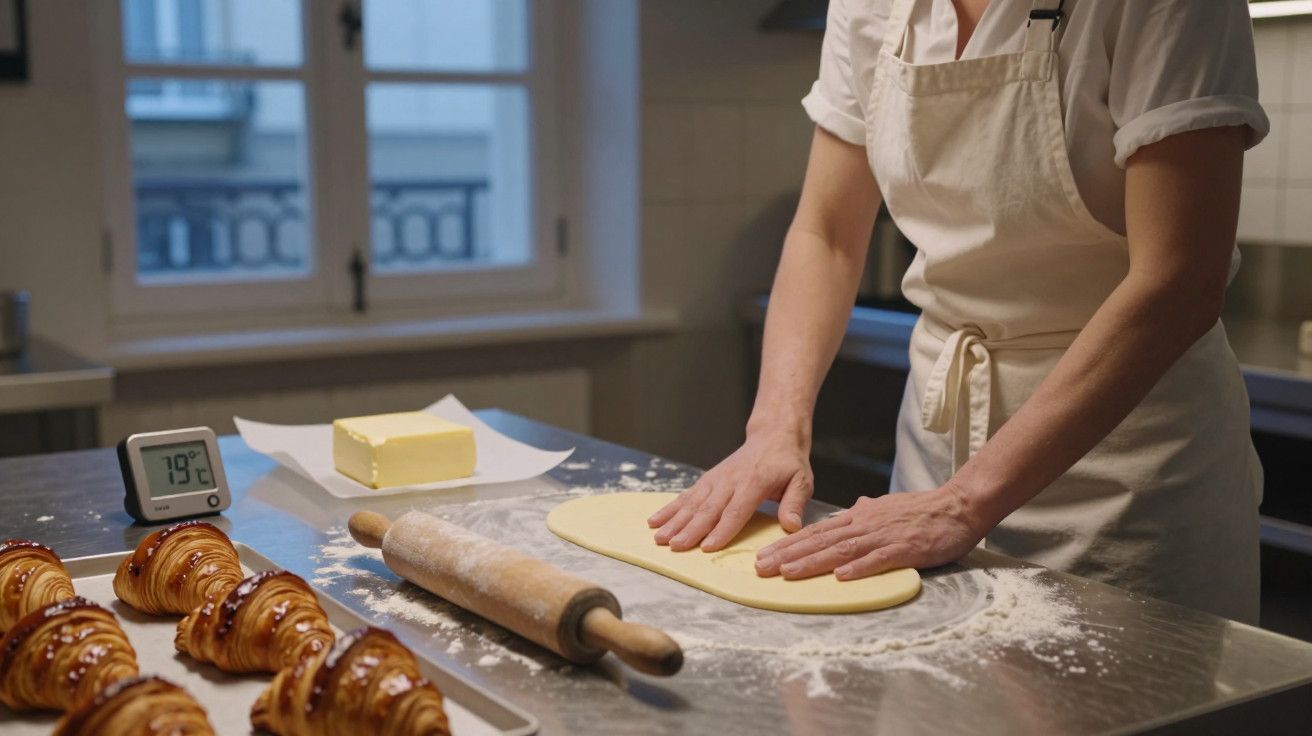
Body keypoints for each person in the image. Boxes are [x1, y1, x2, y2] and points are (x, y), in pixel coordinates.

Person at [648, 0, 1269, 624]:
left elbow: (1180, 278)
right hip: (936, 461)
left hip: (1126, 482)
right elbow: (828, 233)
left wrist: (965, 503)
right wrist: (775, 427)